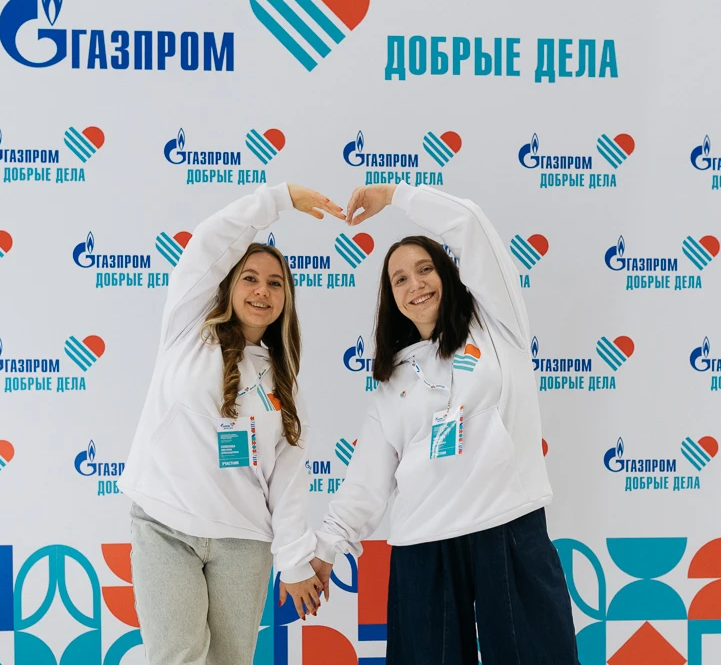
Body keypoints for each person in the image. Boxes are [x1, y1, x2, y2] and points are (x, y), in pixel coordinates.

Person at [311, 183, 579, 664]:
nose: (415, 285)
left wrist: (395, 196)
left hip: (507, 526)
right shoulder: (392, 381)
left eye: (424, 269)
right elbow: (367, 481)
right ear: (391, 298)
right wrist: (327, 547)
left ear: (447, 273)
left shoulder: (497, 324)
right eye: (399, 279)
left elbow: (469, 223)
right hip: (424, 544)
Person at [119, 182, 341, 665]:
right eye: (250, 278)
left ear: (286, 298)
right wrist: (278, 199)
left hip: (243, 541)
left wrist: (294, 561)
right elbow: (209, 240)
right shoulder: (188, 328)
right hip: (166, 526)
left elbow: (288, 484)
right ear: (228, 284)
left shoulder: (285, 383)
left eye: (275, 283)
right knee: (176, 658)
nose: (262, 290)